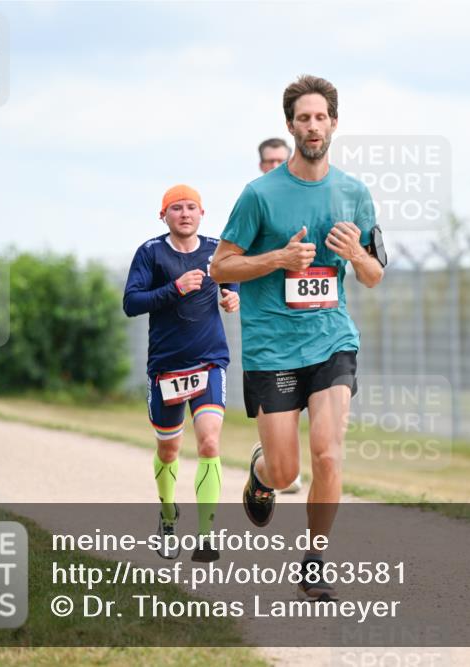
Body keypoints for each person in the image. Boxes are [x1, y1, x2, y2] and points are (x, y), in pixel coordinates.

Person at [211, 75, 386, 602]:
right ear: (290, 126)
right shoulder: (259, 195)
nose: (313, 126)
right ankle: (262, 475)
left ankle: (314, 558)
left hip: (332, 338)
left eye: (321, 117)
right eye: (303, 118)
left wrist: (356, 254)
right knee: (287, 468)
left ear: (334, 123)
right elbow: (221, 267)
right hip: (271, 347)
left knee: (329, 453)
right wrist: (279, 260)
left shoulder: (355, 193)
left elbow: (375, 274)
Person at [123, 185, 240, 563]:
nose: (184, 213)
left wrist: (231, 295)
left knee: (208, 442)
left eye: (191, 207)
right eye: (176, 208)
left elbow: (231, 280)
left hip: (209, 361)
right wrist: (174, 288)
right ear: (164, 216)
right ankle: (169, 515)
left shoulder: (216, 249)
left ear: (202, 213)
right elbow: (131, 302)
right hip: (166, 367)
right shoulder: (151, 252)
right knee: (169, 449)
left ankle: (206, 535)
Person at [256, 136, 303, 495]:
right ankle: (274, 463)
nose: (274, 167)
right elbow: (228, 261)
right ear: (261, 165)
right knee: (281, 404)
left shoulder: (306, 201)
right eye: (268, 162)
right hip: (270, 326)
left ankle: (290, 462)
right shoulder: (255, 202)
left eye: (280, 161)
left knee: (319, 399)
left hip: (310, 322)